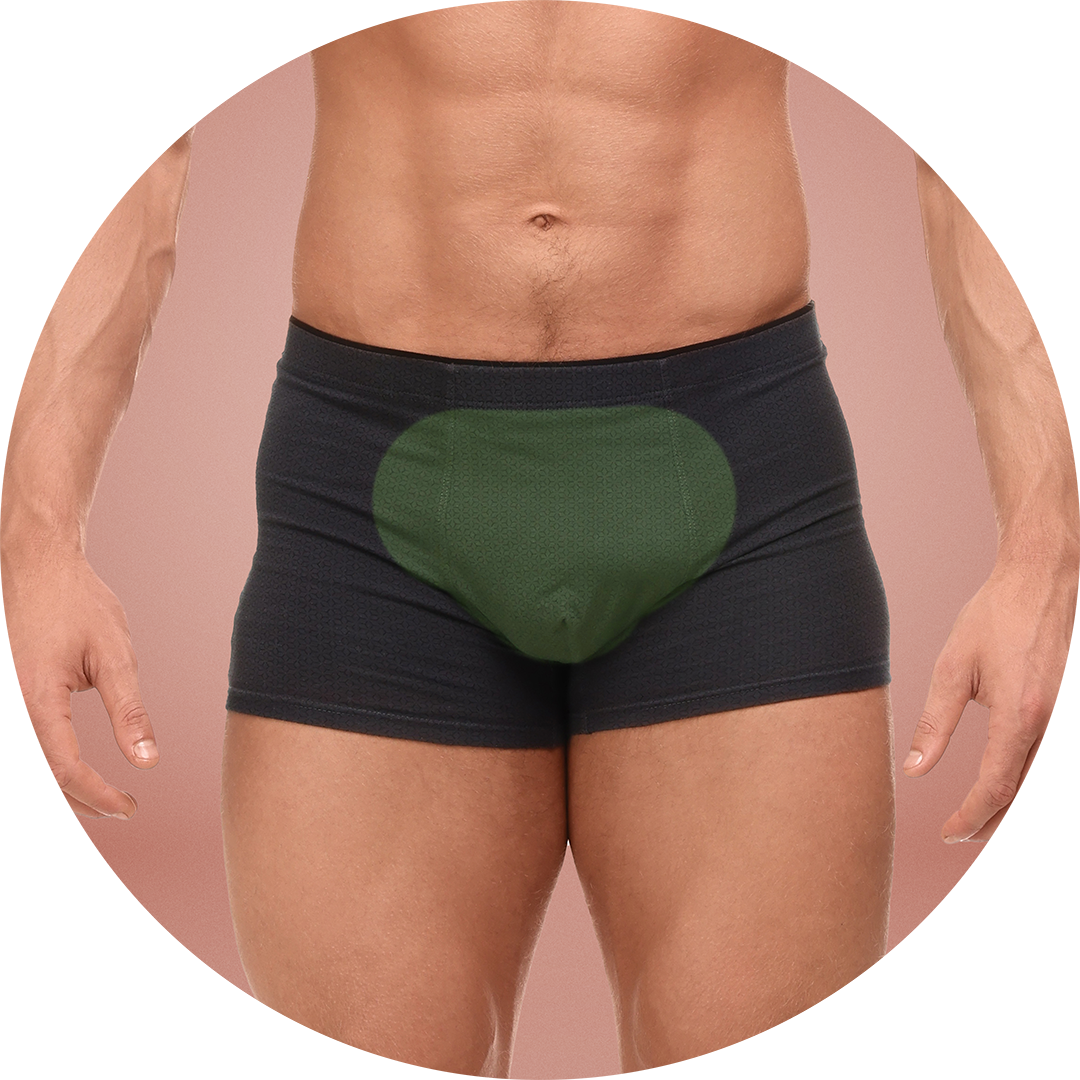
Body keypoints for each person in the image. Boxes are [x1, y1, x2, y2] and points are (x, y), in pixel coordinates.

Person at [3, 2, 1077, 1075]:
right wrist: (42, 529)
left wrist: (1040, 545)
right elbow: (122, 127)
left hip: (737, 492)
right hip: (374, 502)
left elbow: (978, 122)